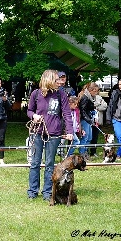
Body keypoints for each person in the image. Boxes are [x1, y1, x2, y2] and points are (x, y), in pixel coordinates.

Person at [26, 69, 73, 201]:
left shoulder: (61, 95)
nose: (59, 82)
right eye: (56, 79)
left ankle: (47, 192)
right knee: (35, 162)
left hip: (54, 134)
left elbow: (67, 114)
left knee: (49, 164)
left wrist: (69, 131)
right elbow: (29, 110)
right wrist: (34, 116)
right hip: (37, 133)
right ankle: (32, 191)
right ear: (48, 80)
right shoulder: (36, 94)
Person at [77, 82, 100, 159]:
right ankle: (82, 154)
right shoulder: (85, 97)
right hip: (84, 120)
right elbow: (82, 111)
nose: (96, 93)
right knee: (85, 137)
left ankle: (85, 151)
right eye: (95, 91)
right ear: (91, 90)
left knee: (89, 137)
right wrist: (90, 121)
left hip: (88, 118)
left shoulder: (89, 97)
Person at [89, 90, 108, 157]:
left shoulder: (99, 98)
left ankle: (93, 152)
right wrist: (97, 104)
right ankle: (85, 151)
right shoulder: (88, 97)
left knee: (95, 137)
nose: (96, 92)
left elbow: (104, 106)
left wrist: (96, 107)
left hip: (97, 121)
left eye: (97, 91)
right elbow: (90, 106)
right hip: (89, 120)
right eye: (94, 91)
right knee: (88, 137)